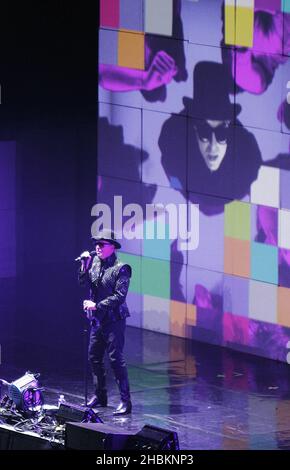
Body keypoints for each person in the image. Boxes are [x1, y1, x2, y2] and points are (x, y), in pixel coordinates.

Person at [159, 61, 262, 214]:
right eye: (204, 133)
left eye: (221, 134)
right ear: (193, 129)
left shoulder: (246, 164)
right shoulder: (176, 161)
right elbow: (173, 175)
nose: (213, 147)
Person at [78, 229, 132, 416]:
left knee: (116, 359)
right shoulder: (94, 262)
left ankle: (126, 401)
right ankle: (100, 395)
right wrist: (84, 266)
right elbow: (83, 283)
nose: (97, 247)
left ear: (112, 247)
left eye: (102, 244)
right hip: (97, 320)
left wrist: (96, 305)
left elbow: (119, 296)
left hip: (114, 319)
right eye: (96, 244)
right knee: (94, 357)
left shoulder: (121, 268)